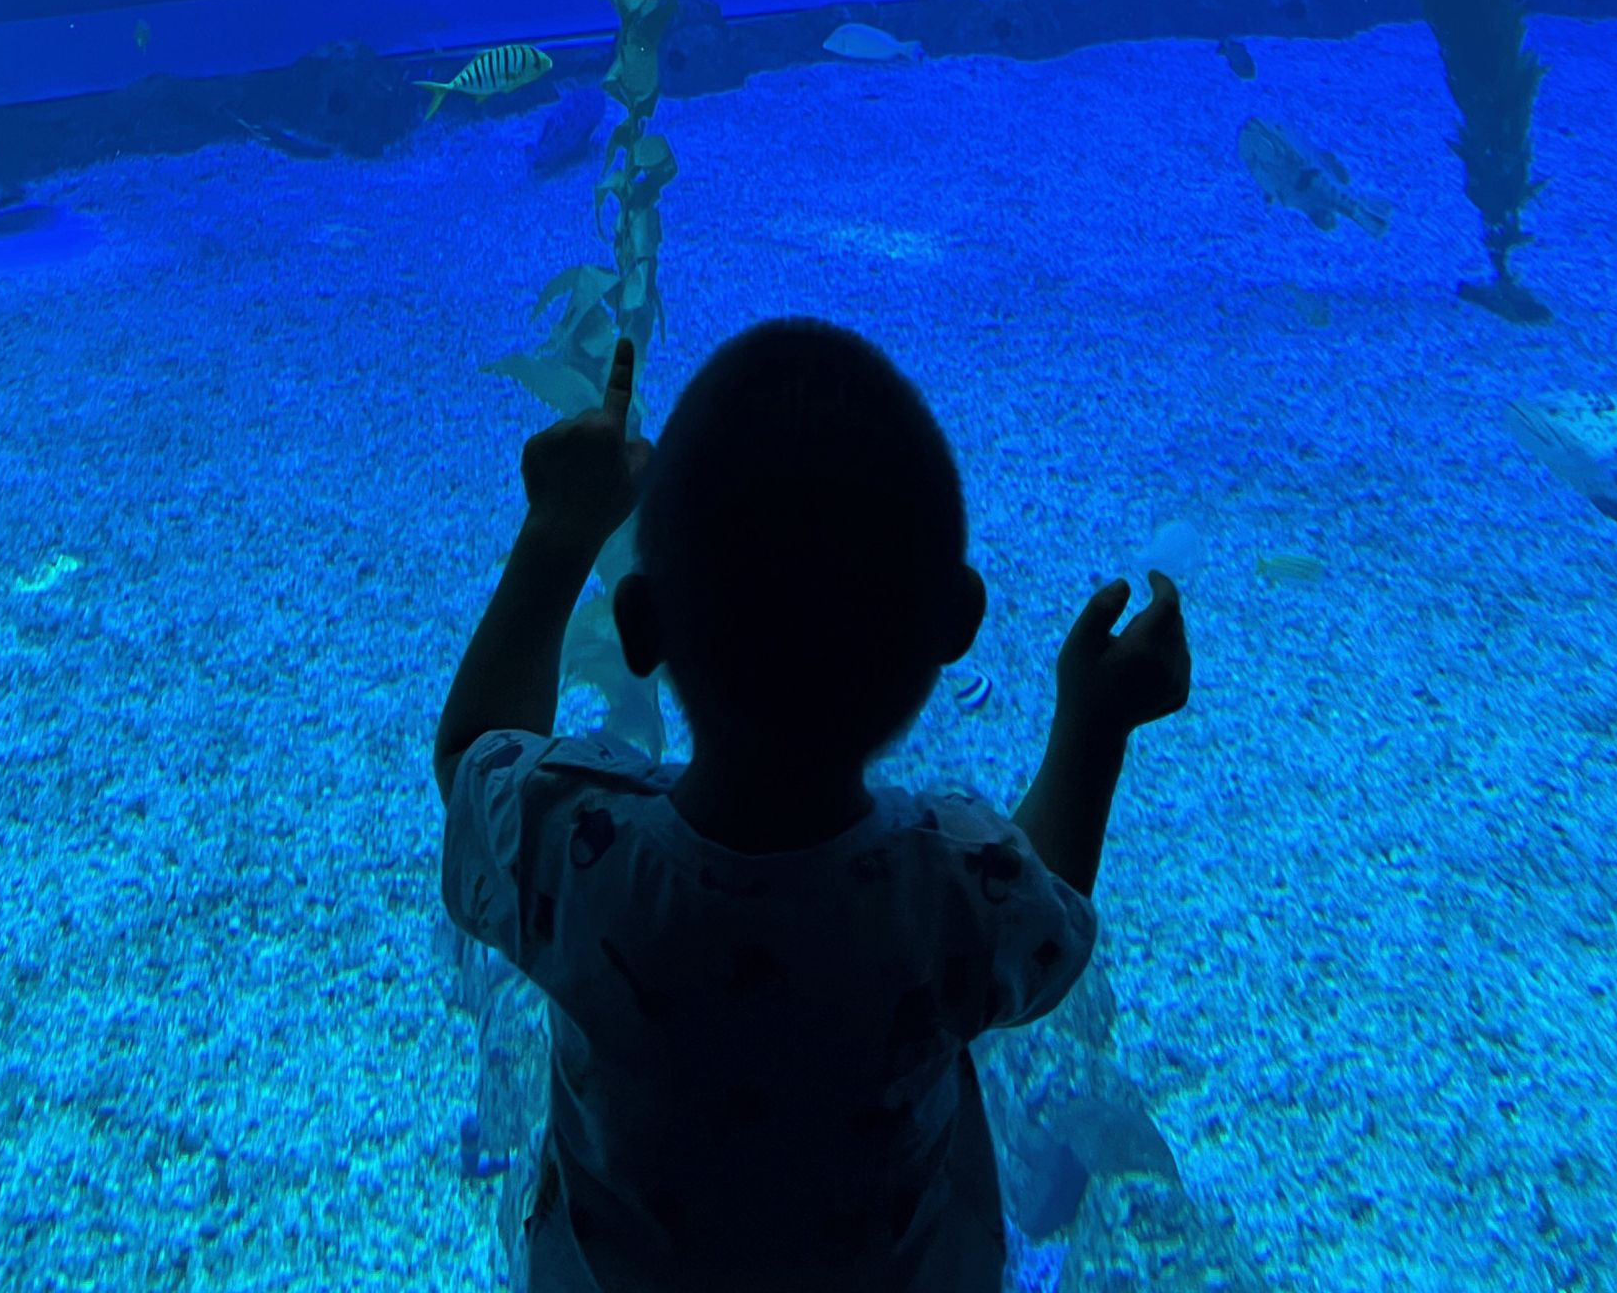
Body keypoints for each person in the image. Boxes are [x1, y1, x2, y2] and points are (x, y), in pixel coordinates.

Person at [435, 318, 1191, 1292]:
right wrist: (1095, 728)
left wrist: (558, 533)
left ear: (641, 626)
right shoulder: (951, 887)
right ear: (954, 622)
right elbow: (1047, 911)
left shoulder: (578, 847)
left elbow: (470, 764)